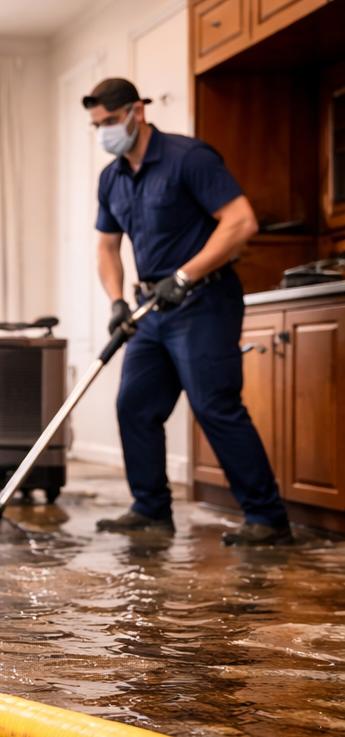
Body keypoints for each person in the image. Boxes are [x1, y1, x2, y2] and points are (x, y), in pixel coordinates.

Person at [84, 77, 291, 546]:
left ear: (137, 111)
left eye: (112, 121)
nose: (105, 132)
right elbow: (106, 246)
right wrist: (116, 299)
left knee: (214, 404)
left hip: (204, 302)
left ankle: (267, 517)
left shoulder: (188, 158)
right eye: (97, 125)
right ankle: (151, 509)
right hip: (151, 308)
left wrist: (185, 275)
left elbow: (240, 221)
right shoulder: (112, 177)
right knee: (134, 405)